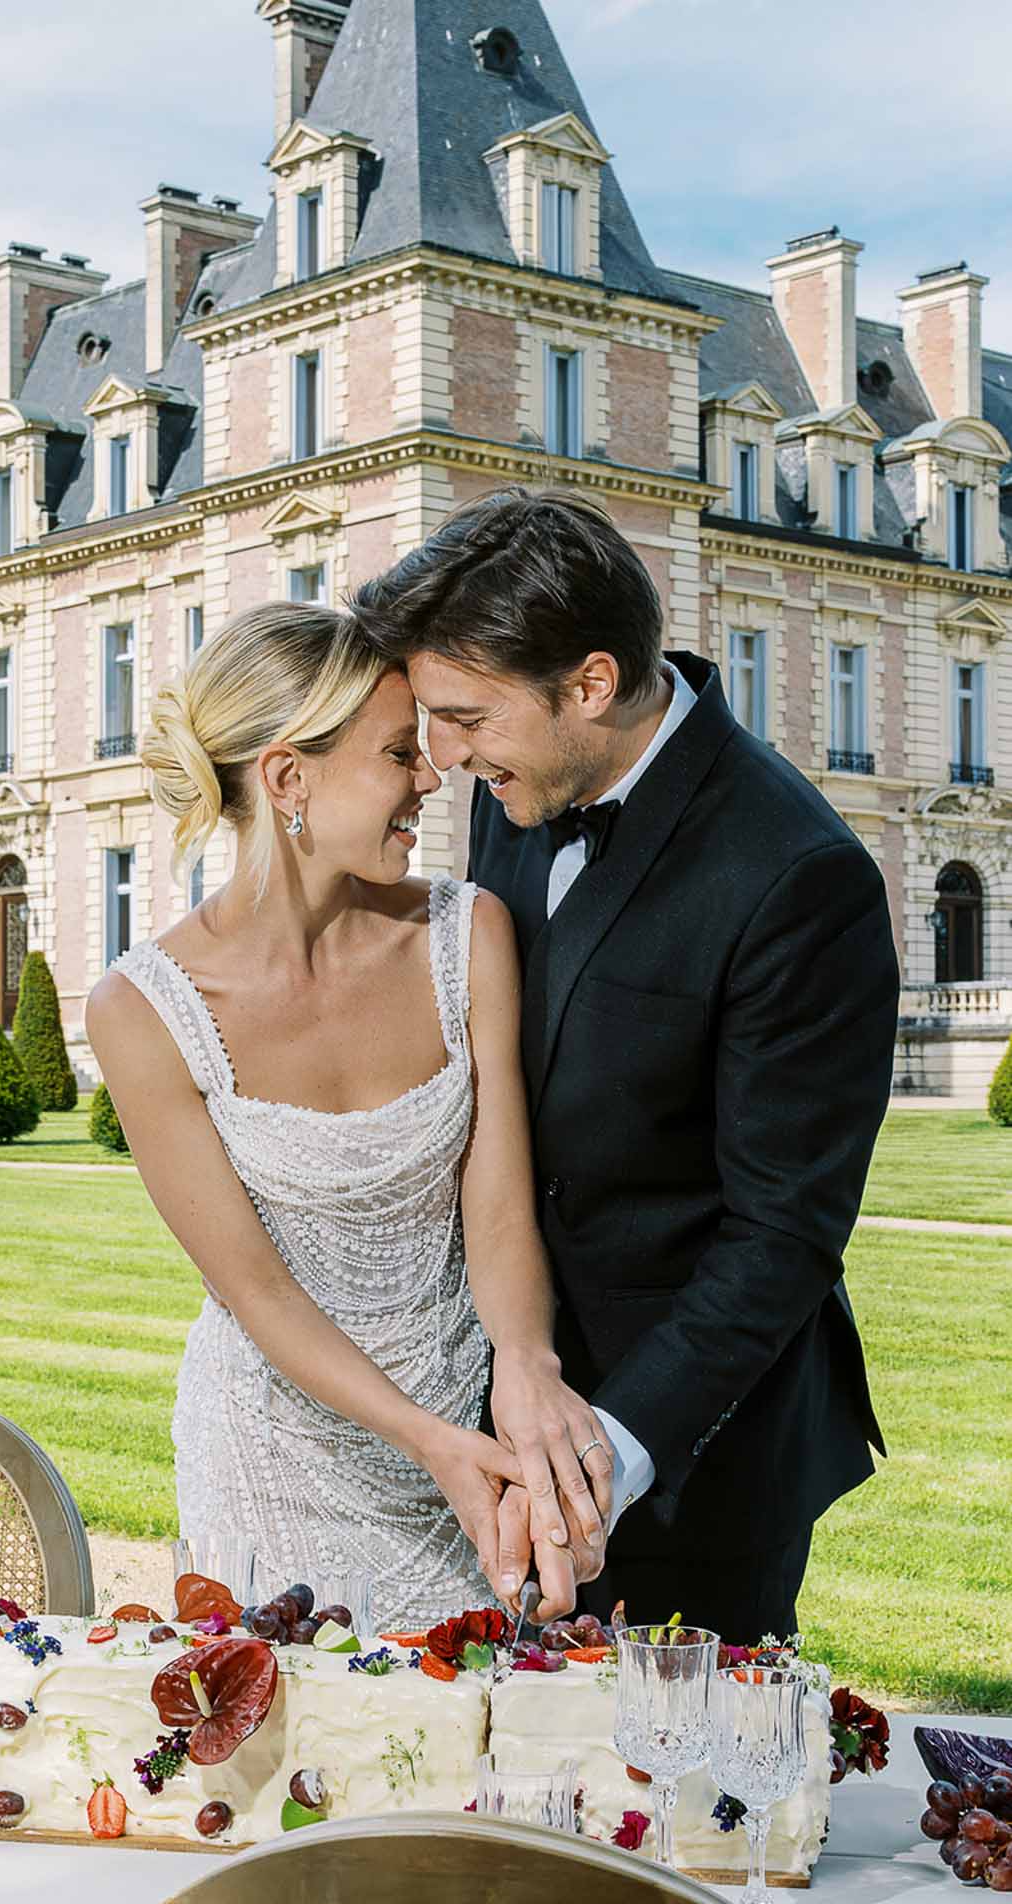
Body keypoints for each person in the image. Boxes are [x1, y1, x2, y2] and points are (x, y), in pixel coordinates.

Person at [349, 489, 901, 1645]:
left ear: (590, 684)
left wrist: (604, 1456)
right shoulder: (527, 779)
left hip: (699, 1448)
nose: (441, 759)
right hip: (491, 1402)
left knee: (683, 1803)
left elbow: (782, 1234)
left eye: (464, 717)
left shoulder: (800, 875)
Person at [85, 602, 610, 1630]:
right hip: (279, 1456)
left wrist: (524, 1375)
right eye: (397, 753)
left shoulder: (469, 933)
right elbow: (258, 1291)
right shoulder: (142, 1010)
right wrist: (427, 1438)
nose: (431, 775)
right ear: (289, 779)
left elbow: (496, 1203)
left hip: (470, 1429)